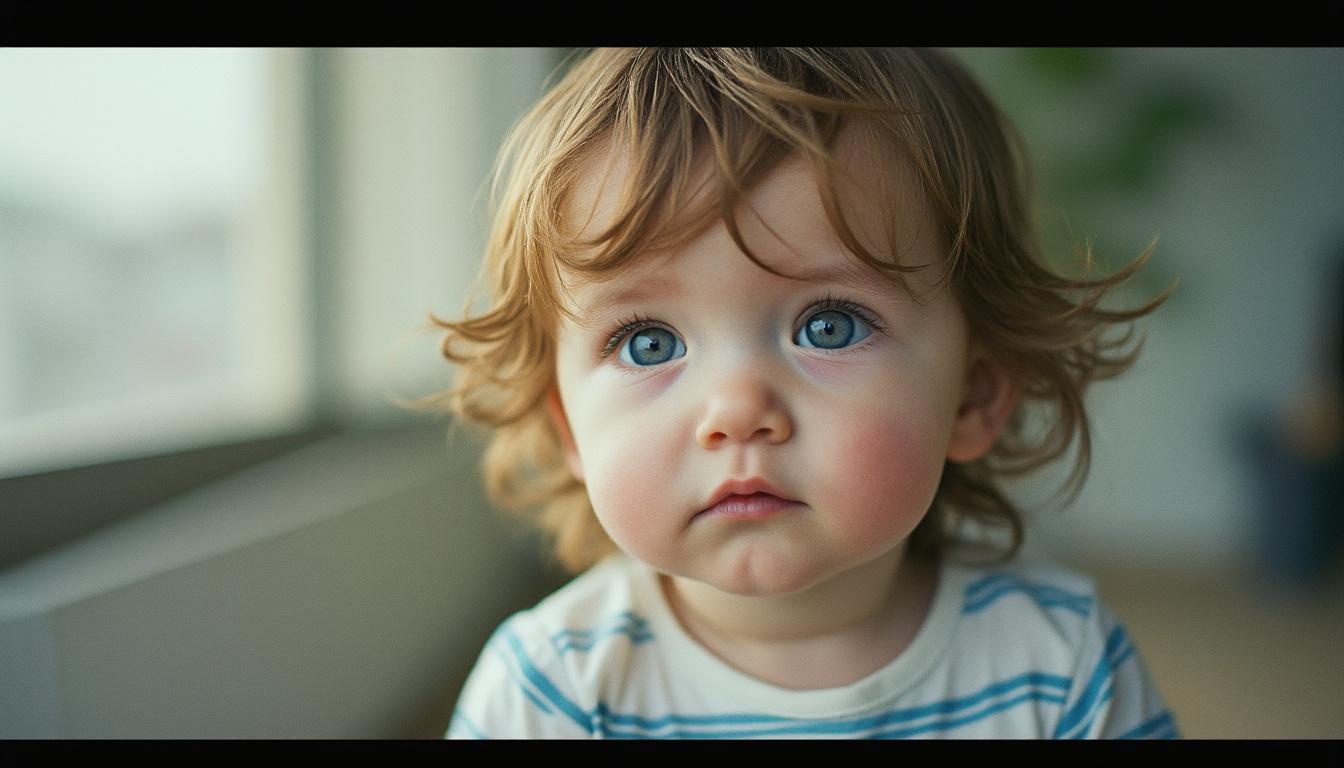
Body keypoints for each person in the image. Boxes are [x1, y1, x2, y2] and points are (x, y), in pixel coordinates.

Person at [431, 48, 1179, 739]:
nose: (736, 411)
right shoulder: (546, 693)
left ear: (972, 395)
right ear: (570, 432)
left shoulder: (1063, 669)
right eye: (647, 343)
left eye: (828, 327)